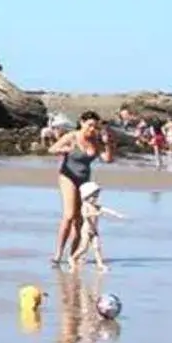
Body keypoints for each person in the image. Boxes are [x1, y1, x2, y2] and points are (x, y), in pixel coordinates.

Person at [51, 112, 112, 267]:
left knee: (79, 220)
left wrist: (107, 143)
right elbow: (52, 149)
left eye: (95, 126)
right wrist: (64, 149)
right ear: (82, 122)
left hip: (84, 180)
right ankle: (58, 254)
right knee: (69, 215)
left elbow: (107, 160)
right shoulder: (72, 136)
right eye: (89, 125)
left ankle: (73, 255)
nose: (92, 129)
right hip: (68, 176)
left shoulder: (96, 140)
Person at [67, 183, 126, 271]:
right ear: (86, 197)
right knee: (83, 248)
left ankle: (100, 264)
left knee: (97, 247)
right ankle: (72, 258)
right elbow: (85, 215)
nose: (95, 199)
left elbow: (106, 210)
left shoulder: (96, 206)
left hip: (94, 230)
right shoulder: (85, 206)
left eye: (97, 196)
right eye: (93, 196)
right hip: (86, 230)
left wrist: (117, 214)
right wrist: (95, 213)